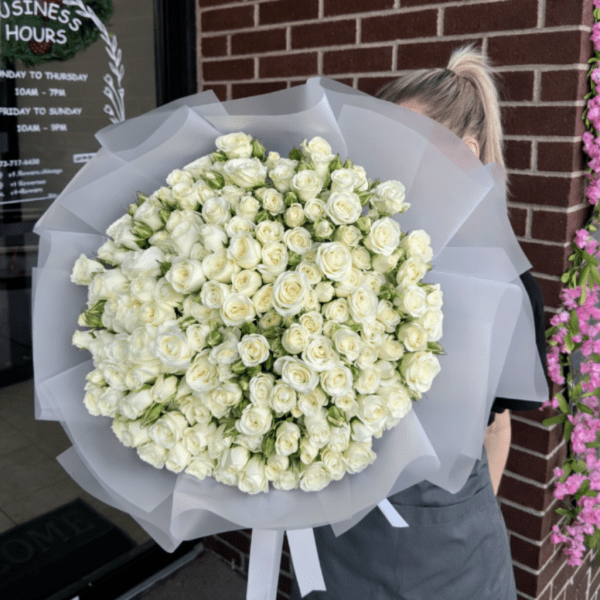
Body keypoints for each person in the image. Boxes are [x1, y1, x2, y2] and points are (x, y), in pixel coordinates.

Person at [290, 44, 547, 600]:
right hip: (340, 545)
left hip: (454, 560)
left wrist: (457, 518)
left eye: (404, 145)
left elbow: (496, 425)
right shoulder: (341, 264)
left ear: (464, 155)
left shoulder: (505, 287)